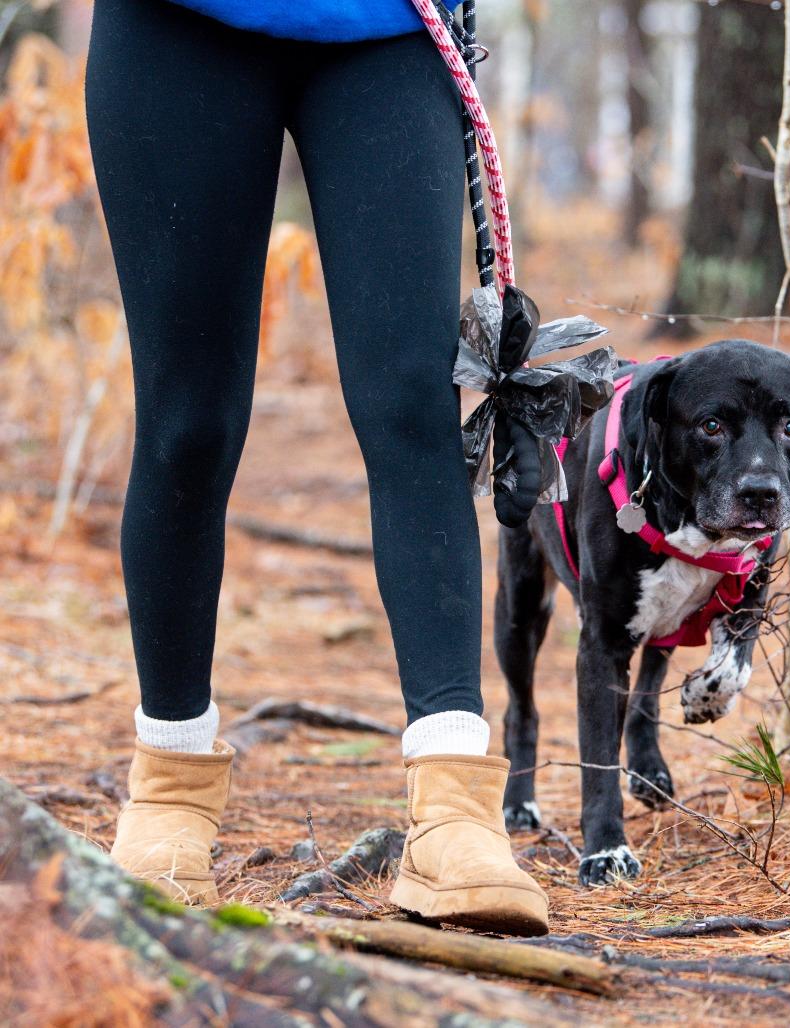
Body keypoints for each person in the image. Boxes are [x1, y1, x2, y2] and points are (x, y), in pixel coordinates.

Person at [85, 0, 548, 936]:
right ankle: (171, 785)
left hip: (384, 31)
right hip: (176, 28)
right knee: (187, 425)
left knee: (414, 405)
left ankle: (455, 806)